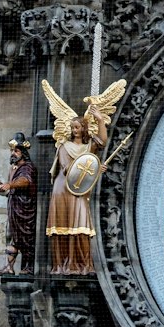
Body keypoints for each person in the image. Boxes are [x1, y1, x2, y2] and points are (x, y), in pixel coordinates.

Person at [46, 107, 107, 274]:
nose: (75, 130)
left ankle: (82, 265)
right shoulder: (64, 147)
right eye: (72, 127)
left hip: (79, 190)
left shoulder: (89, 147)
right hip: (63, 188)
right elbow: (67, 168)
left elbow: (102, 141)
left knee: (81, 225)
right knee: (63, 225)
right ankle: (64, 265)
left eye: (78, 127)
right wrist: (94, 168)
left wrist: (100, 120)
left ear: (84, 128)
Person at [0, 132, 37, 275]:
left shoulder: (28, 167)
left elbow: (25, 181)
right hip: (14, 208)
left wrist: (9, 184)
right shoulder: (13, 169)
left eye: (16, 151)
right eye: (12, 151)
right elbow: (9, 189)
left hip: (24, 210)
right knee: (11, 237)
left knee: (25, 239)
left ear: (23, 152)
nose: (13, 154)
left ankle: (28, 267)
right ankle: (9, 267)